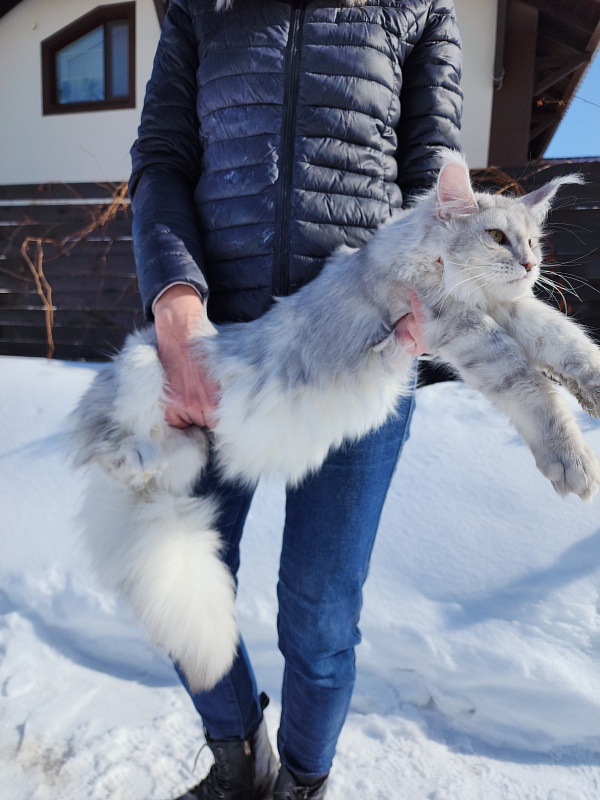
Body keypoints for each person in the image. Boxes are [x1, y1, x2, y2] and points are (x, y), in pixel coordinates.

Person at [129, 1, 462, 797]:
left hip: (359, 357)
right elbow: (163, 158)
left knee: (318, 614)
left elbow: (434, 170)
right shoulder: (198, 10)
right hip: (218, 356)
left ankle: (302, 783)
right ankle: (241, 757)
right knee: (173, 577)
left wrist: (426, 283)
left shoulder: (417, 11)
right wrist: (175, 303)